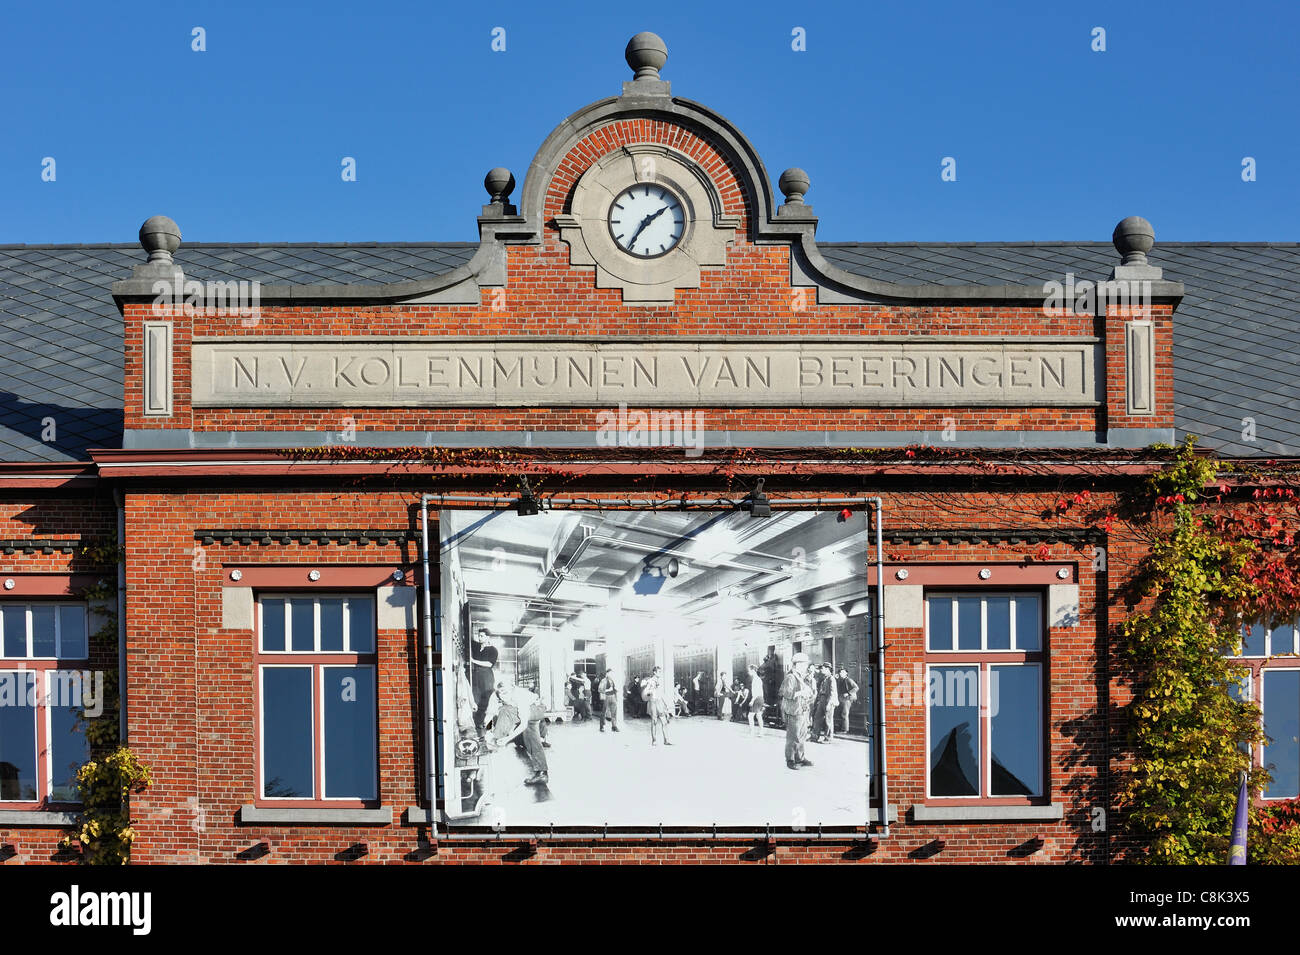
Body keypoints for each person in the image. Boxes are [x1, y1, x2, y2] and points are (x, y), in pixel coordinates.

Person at [486, 676, 549, 786]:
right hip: (524, 711)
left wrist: (506, 739)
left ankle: (497, 740)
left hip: (536, 709)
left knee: (506, 710)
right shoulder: (495, 695)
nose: (503, 696)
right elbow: (489, 714)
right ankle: (542, 774)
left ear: (512, 689)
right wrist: (487, 731)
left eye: (506, 693)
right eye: (501, 693)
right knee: (532, 740)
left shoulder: (520, 696)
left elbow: (523, 724)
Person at [781, 653, 815, 770]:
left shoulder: (800, 677)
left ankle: (800, 757)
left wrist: (808, 693)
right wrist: (801, 693)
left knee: (801, 735)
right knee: (793, 736)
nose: (806, 666)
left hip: (802, 710)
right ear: (798, 664)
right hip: (794, 711)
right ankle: (790, 760)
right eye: (804, 664)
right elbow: (786, 693)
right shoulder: (790, 677)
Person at [469, 628, 499, 740]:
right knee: (475, 702)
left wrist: (473, 661)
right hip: (476, 677)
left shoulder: (493, 650)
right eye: (479, 635)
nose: (479, 637)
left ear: (488, 637)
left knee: (487, 704)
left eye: (482, 636)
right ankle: (478, 730)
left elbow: (489, 664)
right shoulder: (476, 647)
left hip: (487, 677)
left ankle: (489, 730)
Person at [642, 666, 673, 745]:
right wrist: (650, 691)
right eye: (659, 672)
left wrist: (667, 705)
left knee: (664, 721)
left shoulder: (659, 681)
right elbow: (645, 693)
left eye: (660, 672)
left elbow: (661, 694)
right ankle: (654, 740)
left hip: (659, 702)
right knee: (654, 721)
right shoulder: (650, 681)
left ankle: (666, 740)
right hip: (653, 702)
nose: (660, 673)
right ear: (654, 672)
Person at [837, 667, 859, 735]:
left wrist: (848, 693)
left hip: (847, 700)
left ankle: (845, 730)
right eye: (840, 672)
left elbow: (856, 687)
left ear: (846, 673)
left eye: (843, 672)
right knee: (842, 714)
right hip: (842, 699)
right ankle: (842, 729)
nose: (841, 673)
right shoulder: (841, 680)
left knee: (844, 714)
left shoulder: (849, 680)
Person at [746, 663, 765, 737]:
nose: (748, 672)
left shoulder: (755, 679)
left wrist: (752, 700)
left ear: (753, 670)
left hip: (757, 698)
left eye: (749, 670)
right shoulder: (758, 679)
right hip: (760, 698)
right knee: (758, 715)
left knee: (750, 716)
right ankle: (761, 732)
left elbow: (756, 692)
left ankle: (752, 733)